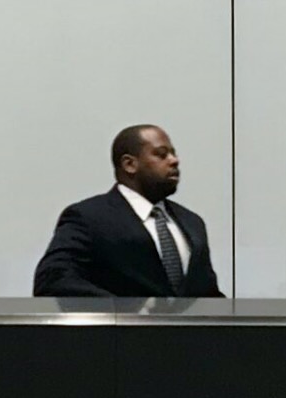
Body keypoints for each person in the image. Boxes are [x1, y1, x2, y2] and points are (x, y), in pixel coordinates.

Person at [32, 124, 223, 298]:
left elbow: (207, 295)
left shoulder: (192, 222)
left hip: (187, 336)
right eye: (161, 154)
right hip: (119, 334)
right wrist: (123, 311)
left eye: (173, 153)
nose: (174, 161)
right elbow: (53, 280)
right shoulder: (89, 217)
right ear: (129, 164)